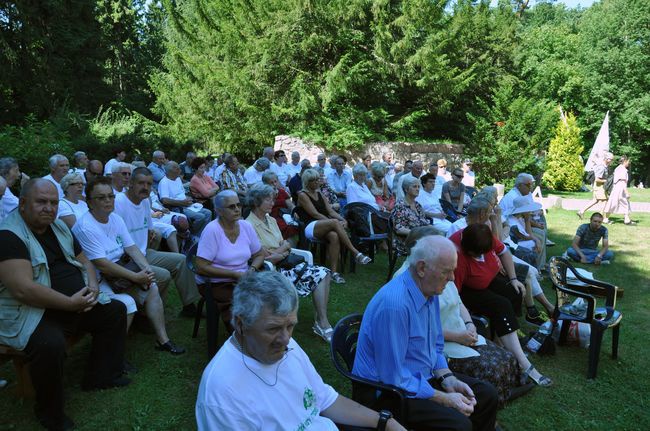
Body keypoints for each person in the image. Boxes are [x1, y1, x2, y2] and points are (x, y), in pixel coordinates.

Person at [195, 271, 406, 430]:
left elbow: (323, 398)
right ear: (241, 324)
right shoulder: (221, 394)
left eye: (290, 326)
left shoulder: (285, 345)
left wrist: (385, 422)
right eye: (273, 328)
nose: (286, 339)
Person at [0, 179, 128, 430]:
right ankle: (50, 413)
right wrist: (70, 303)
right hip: (31, 312)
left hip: (72, 303)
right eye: (41, 202)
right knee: (50, 344)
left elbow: (86, 261)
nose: (49, 208)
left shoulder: (58, 227)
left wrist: (92, 287)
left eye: (54, 203)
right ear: (23, 203)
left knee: (114, 310)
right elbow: (23, 290)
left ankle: (100, 376)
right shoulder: (8, 237)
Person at [353, 235, 498, 431]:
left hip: (418, 376)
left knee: (486, 395)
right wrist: (444, 399)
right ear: (422, 268)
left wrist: (448, 379)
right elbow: (393, 377)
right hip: (387, 391)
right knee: (459, 424)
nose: (452, 278)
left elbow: (435, 345)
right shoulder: (395, 307)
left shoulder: (429, 291)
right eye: (446, 271)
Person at [393, 227, 531, 407]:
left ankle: (500, 393)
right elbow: (421, 332)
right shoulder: (412, 283)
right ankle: (487, 400)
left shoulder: (437, 271)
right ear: (421, 256)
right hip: (443, 343)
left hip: (460, 334)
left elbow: (457, 301)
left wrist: (469, 324)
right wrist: (459, 337)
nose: (451, 277)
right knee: (491, 367)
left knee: (506, 357)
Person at [73, 177, 185, 355]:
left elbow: (131, 247)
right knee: (128, 303)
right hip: (97, 281)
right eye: (101, 198)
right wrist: (135, 277)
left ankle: (163, 340)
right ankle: (114, 355)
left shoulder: (115, 218)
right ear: (89, 202)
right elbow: (102, 264)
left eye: (110, 196)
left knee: (152, 287)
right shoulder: (86, 227)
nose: (108, 201)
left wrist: (146, 269)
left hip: (120, 272)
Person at [451, 224, 552, 387]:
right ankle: (523, 362)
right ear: (469, 251)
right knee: (501, 305)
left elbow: (503, 252)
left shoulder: (482, 235)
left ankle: (503, 344)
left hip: (487, 280)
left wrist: (513, 279)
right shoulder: (457, 253)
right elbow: (453, 293)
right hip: (467, 291)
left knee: (515, 291)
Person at [245, 185, 333, 341]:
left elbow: (284, 244)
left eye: (273, 199)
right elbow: (262, 254)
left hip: (285, 263)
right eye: (268, 199)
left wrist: (281, 251)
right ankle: (322, 323)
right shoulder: (248, 225)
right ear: (257, 201)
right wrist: (282, 249)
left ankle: (321, 319)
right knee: (320, 274)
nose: (273, 202)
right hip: (270, 271)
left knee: (324, 272)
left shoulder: (271, 219)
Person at [115, 167, 201, 317]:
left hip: (144, 253)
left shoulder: (145, 202)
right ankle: (147, 314)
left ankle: (189, 306)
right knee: (163, 274)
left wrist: (150, 237)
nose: (145, 187)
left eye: (149, 184)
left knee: (181, 260)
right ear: (131, 183)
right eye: (141, 183)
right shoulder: (119, 203)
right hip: (126, 259)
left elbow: (149, 229)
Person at [194, 190, 266, 332]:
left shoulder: (246, 226)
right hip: (216, 282)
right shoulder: (212, 230)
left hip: (243, 278)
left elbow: (259, 254)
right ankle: (245, 341)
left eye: (238, 205)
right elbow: (201, 266)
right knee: (241, 308)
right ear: (219, 211)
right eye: (231, 207)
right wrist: (233, 274)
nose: (237, 209)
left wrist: (251, 270)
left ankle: (263, 337)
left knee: (267, 301)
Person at [296, 168, 372, 284]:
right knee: (335, 223)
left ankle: (334, 273)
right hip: (310, 226)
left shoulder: (319, 193)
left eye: (318, 179)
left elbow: (330, 211)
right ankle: (356, 253)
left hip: (324, 224)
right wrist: (333, 223)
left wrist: (343, 219)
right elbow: (314, 214)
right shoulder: (302, 194)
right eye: (314, 180)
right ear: (307, 182)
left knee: (334, 236)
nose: (317, 182)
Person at [499, 173, 548, 270]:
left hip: (519, 232)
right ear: (520, 185)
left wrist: (530, 221)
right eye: (528, 185)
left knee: (539, 235)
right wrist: (534, 235)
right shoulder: (512, 198)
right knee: (537, 240)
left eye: (531, 184)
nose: (531, 187)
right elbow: (525, 235)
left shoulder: (523, 196)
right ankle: (538, 267)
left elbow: (526, 228)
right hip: (513, 241)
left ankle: (540, 265)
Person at [159, 161, 212, 235]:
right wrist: (182, 203)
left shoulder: (177, 179)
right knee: (201, 217)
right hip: (178, 207)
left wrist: (190, 199)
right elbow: (164, 200)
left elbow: (182, 194)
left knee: (208, 213)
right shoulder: (164, 182)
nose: (180, 170)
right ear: (171, 171)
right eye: (178, 169)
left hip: (186, 204)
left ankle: (202, 234)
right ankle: (191, 235)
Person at [390, 176, 430, 256]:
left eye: (419, 187)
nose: (418, 189)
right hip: (406, 241)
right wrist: (418, 234)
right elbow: (399, 229)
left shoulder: (418, 206)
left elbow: (425, 223)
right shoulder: (400, 205)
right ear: (406, 189)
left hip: (420, 239)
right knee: (434, 247)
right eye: (414, 186)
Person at [507, 197, 543, 269]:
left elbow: (528, 234)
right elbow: (526, 236)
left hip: (519, 241)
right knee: (533, 243)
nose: (529, 211)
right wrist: (527, 220)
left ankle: (537, 266)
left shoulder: (518, 218)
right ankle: (535, 267)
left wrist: (527, 219)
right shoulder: (512, 222)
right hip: (513, 245)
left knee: (537, 240)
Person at [261, 171, 298, 240]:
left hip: (285, 215)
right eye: (271, 183)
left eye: (275, 181)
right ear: (265, 184)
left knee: (297, 225)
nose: (274, 184)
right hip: (272, 217)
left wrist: (295, 212)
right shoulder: (263, 194)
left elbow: (291, 206)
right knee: (286, 227)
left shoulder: (281, 192)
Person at [578, 152, 613, 219]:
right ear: (606, 159)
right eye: (611, 159)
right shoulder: (602, 167)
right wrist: (607, 181)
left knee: (595, 200)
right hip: (599, 187)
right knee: (604, 202)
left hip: (599, 187)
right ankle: (600, 218)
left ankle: (581, 211)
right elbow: (597, 180)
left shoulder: (604, 166)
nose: (611, 161)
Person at [603, 156, 634, 225]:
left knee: (613, 203)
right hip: (620, 188)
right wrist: (626, 192)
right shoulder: (623, 170)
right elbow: (622, 182)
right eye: (628, 161)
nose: (629, 163)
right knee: (624, 202)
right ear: (625, 161)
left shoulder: (618, 168)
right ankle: (626, 220)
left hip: (616, 188)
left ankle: (606, 219)